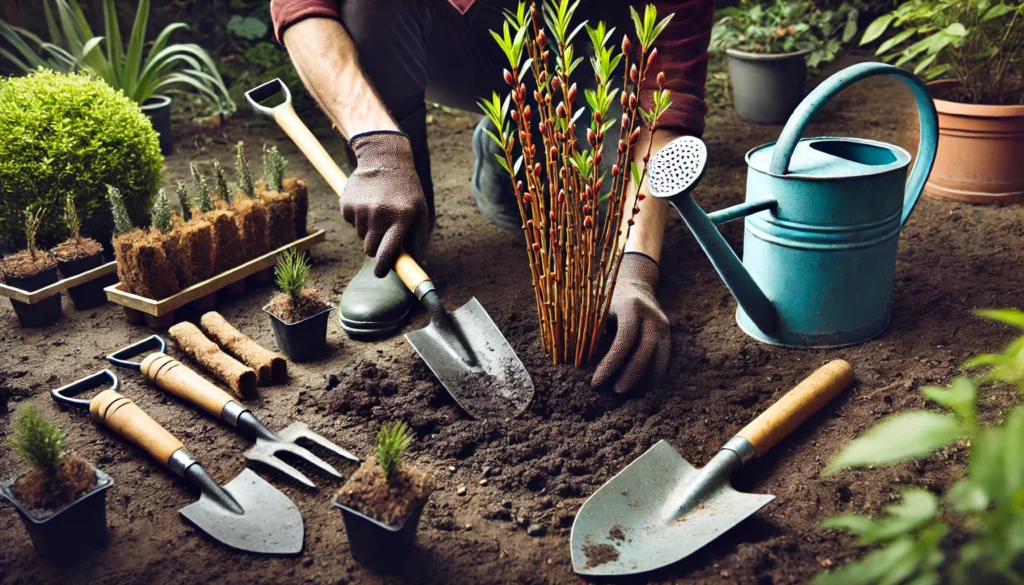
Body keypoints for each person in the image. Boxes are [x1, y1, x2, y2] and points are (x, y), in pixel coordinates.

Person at [270, 0, 714, 393]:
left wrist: (634, 267)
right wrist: (377, 146)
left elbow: (668, 93)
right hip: (455, 39)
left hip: (587, 56)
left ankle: (522, 136)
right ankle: (395, 234)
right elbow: (300, 6)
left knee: (552, 187)